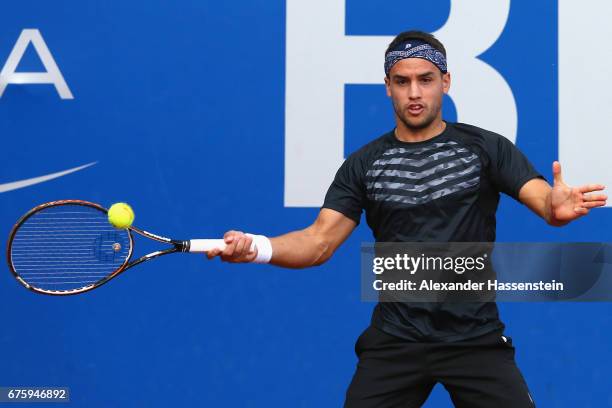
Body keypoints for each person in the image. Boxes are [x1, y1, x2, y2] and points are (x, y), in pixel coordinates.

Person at [206, 30, 607, 407]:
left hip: (475, 338)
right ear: (388, 86)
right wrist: (257, 247)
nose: (414, 93)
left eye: (426, 79)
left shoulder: (485, 149)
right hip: (396, 338)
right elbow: (318, 242)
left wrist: (557, 208)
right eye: (402, 81)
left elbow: (545, 204)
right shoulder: (364, 165)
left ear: (446, 82)